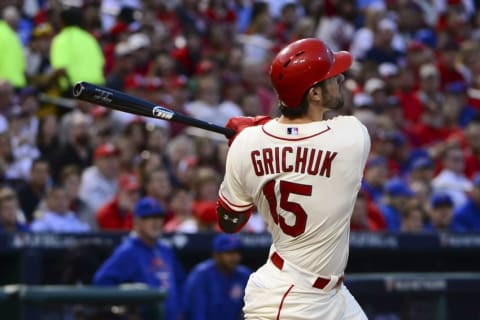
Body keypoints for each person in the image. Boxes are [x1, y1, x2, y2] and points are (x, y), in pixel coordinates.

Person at [217, 38, 370, 319]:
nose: (341, 78)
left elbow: (229, 222)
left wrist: (249, 140)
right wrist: (258, 126)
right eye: (332, 77)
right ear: (314, 94)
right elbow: (303, 136)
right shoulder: (353, 136)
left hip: (332, 296)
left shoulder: (247, 144)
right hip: (289, 301)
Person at [93, 197, 185, 320]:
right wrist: (125, 312)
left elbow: (180, 283)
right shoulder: (128, 251)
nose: (156, 222)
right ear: (137, 222)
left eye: (159, 217)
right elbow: (102, 282)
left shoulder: (165, 250)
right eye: (149, 218)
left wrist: (180, 310)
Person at [183, 233, 252, 320]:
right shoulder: (201, 275)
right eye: (229, 253)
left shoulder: (244, 275)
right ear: (216, 255)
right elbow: (197, 313)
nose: (235, 257)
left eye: (237, 252)